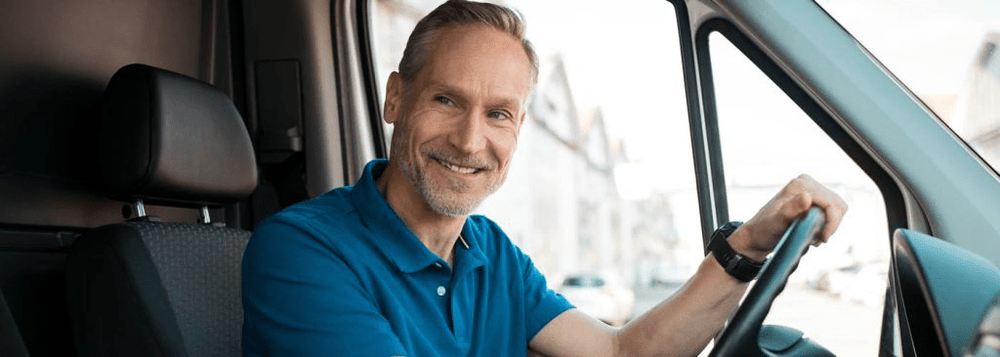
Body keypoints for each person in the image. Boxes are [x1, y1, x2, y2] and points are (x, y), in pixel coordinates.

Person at [240, 1, 848, 356]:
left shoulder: (492, 256)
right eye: (447, 100)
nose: (471, 141)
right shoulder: (300, 249)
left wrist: (746, 249)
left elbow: (623, 351)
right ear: (396, 98)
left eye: (498, 114)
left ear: (519, 127)